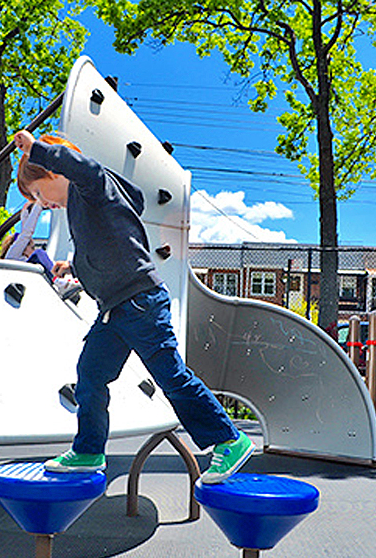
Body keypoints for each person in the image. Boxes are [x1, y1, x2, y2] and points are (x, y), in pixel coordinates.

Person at [13, 129, 254, 483]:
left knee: (170, 376)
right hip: (114, 311)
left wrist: (38, 150)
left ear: (53, 170)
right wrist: (71, 268)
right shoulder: (81, 212)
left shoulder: (92, 188)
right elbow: (105, 250)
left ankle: (229, 439)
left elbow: (87, 168)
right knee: (91, 375)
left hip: (141, 302)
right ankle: (89, 451)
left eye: (37, 193)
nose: (41, 203)